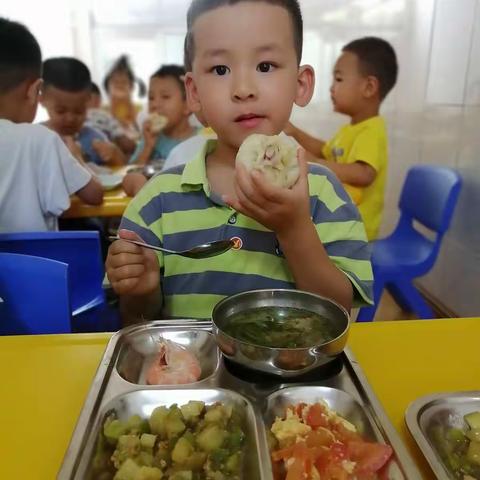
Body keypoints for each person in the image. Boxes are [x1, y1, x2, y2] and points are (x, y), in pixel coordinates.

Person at [106, 0, 373, 324]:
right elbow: (135, 322)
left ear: (300, 84)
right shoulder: (157, 199)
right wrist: (142, 291)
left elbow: (339, 312)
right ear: (194, 93)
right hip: (192, 372)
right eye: (220, 70)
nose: (243, 90)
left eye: (265, 66)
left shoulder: (324, 193)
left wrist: (295, 229)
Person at [286, 37, 398, 240]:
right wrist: (294, 132)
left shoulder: (371, 130)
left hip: (356, 233)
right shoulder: (351, 128)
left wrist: (317, 164)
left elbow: (364, 173)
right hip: (343, 223)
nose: (331, 88)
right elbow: (326, 150)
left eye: (338, 79)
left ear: (369, 87)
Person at [0, 18, 103, 232]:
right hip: (36, 263)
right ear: (35, 90)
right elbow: (94, 195)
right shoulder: (39, 139)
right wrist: (76, 156)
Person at [41, 57, 126, 166]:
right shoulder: (35, 139)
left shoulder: (95, 138)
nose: (70, 118)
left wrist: (114, 154)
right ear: (41, 99)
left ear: (89, 100)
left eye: (79, 111)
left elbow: (122, 168)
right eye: (61, 111)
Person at [130, 64, 198, 168]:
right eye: (151, 98)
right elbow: (130, 172)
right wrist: (147, 147)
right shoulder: (149, 137)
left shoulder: (202, 139)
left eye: (165, 97)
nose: (155, 104)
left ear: (187, 105)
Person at [85, 82, 136, 155]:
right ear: (98, 100)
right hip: (105, 151)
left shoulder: (77, 116)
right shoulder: (104, 115)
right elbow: (121, 137)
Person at [103, 55, 145, 140]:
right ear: (108, 87)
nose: (119, 84)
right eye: (115, 82)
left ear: (132, 87)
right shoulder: (102, 110)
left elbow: (141, 134)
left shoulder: (140, 109)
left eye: (124, 82)